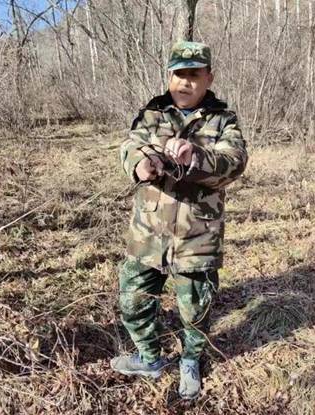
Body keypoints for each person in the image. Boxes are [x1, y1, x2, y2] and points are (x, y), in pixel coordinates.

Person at [110, 40, 248, 400]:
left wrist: (195, 157)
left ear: (209, 78)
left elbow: (234, 161)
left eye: (194, 75)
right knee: (133, 302)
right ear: (169, 76)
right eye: (178, 74)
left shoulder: (222, 120)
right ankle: (149, 357)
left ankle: (190, 361)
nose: (185, 82)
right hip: (148, 232)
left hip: (197, 235)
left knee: (195, 309)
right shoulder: (152, 114)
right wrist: (140, 163)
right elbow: (130, 146)